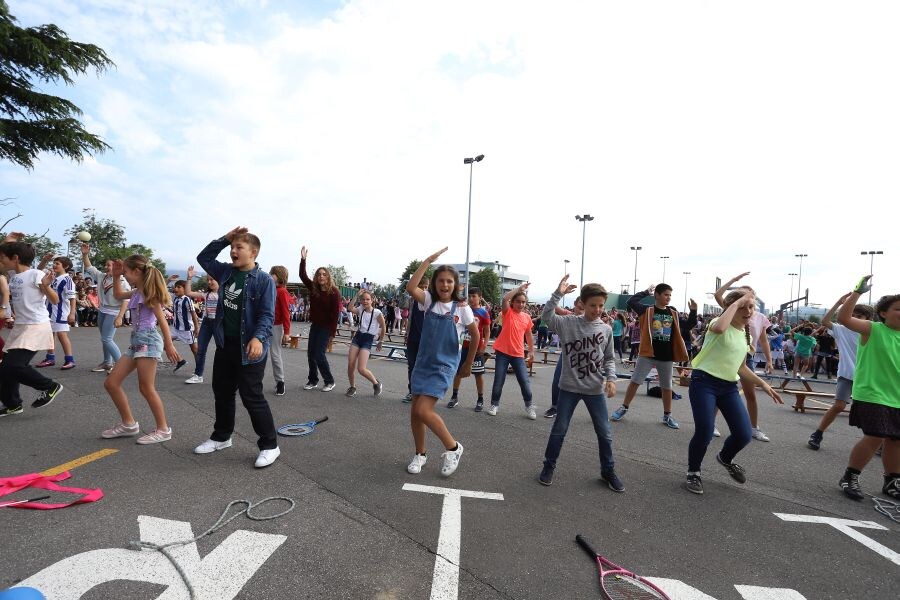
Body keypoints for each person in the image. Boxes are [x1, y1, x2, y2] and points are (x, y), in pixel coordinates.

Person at [194, 227, 280, 468]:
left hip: (250, 347)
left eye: (238, 247)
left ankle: (270, 445)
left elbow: (266, 314)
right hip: (225, 344)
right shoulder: (225, 272)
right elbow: (204, 258)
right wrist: (224, 239)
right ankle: (222, 437)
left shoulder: (263, 281)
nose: (233, 251)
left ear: (253, 252)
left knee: (252, 396)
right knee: (221, 392)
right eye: (233, 247)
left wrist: (258, 338)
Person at [683, 290, 783, 494]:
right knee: (705, 430)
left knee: (744, 434)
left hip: (728, 387)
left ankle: (725, 458)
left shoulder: (744, 336)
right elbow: (720, 327)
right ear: (732, 308)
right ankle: (693, 472)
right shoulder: (717, 325)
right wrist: (737, 302)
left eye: (751, 307)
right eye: (743, 307)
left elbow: (741, 368)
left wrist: (764, 384)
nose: (748, 311)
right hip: (704, 382)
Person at [538, 276, 622, 491]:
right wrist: (558, 293)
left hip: (594, 390)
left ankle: (608, 471)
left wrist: (611, 379)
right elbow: (546, 316)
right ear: (582, 304)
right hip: (569, 388)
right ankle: (549, 466)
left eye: (601, 305)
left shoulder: (606, 330)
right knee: (559, 429)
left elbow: (610, 359)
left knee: (605, 432)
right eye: (592, 305)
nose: (597, 309)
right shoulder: (568, 323)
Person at [404, 248, 478, 476]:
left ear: (456, 285)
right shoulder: (428, 302)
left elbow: (475, 336)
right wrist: (427, 261)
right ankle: (420, 454)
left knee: (424, 411)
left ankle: (453, 447)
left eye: (449, 281)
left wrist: (468, 364)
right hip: (423, 362)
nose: (444, 285)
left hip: (444, 366)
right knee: (415, 412)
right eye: (441, 281)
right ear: (435, 283)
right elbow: (411, 287)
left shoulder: (462, 309)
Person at [100, 255, 180, 444]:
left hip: (149, 340)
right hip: (136, 340)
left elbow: (162, 321)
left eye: (126, 272)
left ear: (137, 272)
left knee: (146, 387)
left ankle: (163, 430)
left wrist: (169, 345)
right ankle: (129, 424)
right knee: (111, 383)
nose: (125, 276)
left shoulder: (149, 293)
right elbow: (118, 295)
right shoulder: (136, 292)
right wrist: (117, 276)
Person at [836, 276, 899, 500]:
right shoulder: (873, 329)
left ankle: (892, 480)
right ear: (883, 313)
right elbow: (843, 318)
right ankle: (850, 477)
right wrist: (857, 293)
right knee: (875, 436)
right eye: (898, 309)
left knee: (896, 439)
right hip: (872, 394)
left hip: (897, 397)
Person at [0, 237, 65, 416]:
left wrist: (46, 287)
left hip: (35, 325)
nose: (1, 261)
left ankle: (50, 386)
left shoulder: (36, 274)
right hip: (21, 326)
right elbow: (10, 252)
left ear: (15, 258)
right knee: (5, 367)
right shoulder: (14, 275)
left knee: (13, 366)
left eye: (3, 257)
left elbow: (55, 300)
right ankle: (12, 404)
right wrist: (9, 239)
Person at [610, 283, 689, 429]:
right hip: (647, 354)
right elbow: (631, 301)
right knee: (635, 382)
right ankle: (624, 408)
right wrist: (646, 291)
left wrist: (694, 310)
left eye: (670, 295)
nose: (668, 297)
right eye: (666, 294)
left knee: (667, 387)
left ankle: (667, 415)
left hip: (666, 356)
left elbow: (688, 325)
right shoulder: (647, 310)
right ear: (657, 295)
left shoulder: (673, 312)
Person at [808, 294, 875, 450]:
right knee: (838, 406)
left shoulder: (871, 332)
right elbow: (824, 322)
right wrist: (838, 302)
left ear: (868, 318)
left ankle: (878, 441)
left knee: (872, 411)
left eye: (859, 316)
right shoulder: (842, 329)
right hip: (846, 374)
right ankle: (817, 434)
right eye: (853, 315)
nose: (855, 318)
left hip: (867, 377)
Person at [713, 273, 774, 442]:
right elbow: (718, 295)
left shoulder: (760, 317)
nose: (745, 299)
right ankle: (710, 424)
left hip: (747, 357)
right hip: (728, 355)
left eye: (749, 295)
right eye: (742, 295)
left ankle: (754, 428)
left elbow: (763, 340)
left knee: (750, 394)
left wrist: (769, 360)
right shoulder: (733, 310)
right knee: (721, 391)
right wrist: (733, 281)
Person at [487, 283, 536, 419]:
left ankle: (529, 406)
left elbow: (528, 335)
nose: (521, 305)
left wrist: (531, 351)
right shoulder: (507, 312)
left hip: (518, 354)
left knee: (524, 381)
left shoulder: (526, 317)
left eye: (523, 302)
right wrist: (519, 289)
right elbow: (504, 299)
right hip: (502, 352)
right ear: (513, 303)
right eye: (518, 302)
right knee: (499, 380)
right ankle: (494, 404)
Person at [299, 247, 341, 392]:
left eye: (324, 274)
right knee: (310, 354)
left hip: (326, 327)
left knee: (319, 354)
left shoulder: (334, 292)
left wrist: (332, 334)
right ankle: (312, 380)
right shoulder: (313, 288)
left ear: (328, 277)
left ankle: (329, 381)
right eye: (319, 274)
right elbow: (302, 275)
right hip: (315, 325)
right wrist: (303, 259)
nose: (321, 276)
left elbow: (336, 314)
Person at [447, 287, 491, 410]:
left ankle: (480, 399)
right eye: (470, 296)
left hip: (476, 348)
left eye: (474, 296)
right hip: (462, 346)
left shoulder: (483, 313)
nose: (471, 299)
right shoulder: (463, 309)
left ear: (480, 297)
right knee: (458, 372)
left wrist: (483, 346)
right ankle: (454, 396)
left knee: (478, 374)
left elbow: (487, 332)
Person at [34, 255, 77, 370]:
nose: (54, 265)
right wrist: (45, 259)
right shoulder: (52, 277)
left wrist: (72, 313)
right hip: (48, 311)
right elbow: (38, 269)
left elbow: (72, 298)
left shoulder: (67, 280)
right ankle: (50, 358)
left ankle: (70, 360)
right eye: (54, 263)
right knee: (50, 334)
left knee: (62, 335)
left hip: (61, 312)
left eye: (57, 263)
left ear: (66, 266)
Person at [344, 288, 386, 397]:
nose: (365, 301)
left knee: (361, 369)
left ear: (372, 300)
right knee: (351, 364)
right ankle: (352, 387)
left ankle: (376, 383)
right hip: (358, 337)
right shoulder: (360, 309)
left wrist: (380, 341)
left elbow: (383, 327)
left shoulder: (377, 313)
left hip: (368, 339)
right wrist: (357, 295)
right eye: (363, 299)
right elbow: (349, 308)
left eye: (368, 299)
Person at [184, 267, 218, 384]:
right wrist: (189, 278)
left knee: (223, 351)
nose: (209, 282)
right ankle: (198, 375)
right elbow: (188, 293)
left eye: (212, 279)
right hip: (207, 322)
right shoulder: (206, 294)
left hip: (219, 324)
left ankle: (227, 377)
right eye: (208, 279)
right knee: (201, 349)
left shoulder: (225, 294)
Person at [402, 276, 429, 403]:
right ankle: (412, 391)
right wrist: (406, 333)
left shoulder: (430, 301)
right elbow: (406, 311)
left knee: (424, 367)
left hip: (426, 340)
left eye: (426, 287)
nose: (424, 289)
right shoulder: (412, 300)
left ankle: (423, 392)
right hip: (412, 337)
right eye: (421, 287)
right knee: (411, 366)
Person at [269, 265, 292, 396]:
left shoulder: (282, 291)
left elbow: (286, 312)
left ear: (279, 276)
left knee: (275, 354)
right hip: (264, 324)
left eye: (273, 273)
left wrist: (287, 332)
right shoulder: (270, 288)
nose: (270, 274)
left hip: (276, 326)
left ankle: (280, 382)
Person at [170, 280, 199, 374]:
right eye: (175, 287)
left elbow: (194, 314)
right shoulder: (174, 297)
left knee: (195, 349)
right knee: (166, 343)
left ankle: (199, 370)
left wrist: (196, 328)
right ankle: (180, 360)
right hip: (176, 329)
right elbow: (162, 289)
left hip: (187, 329)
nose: (176, 289)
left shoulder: (187, 300)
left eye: (179, 287)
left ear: (184, 289)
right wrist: (169, 280)